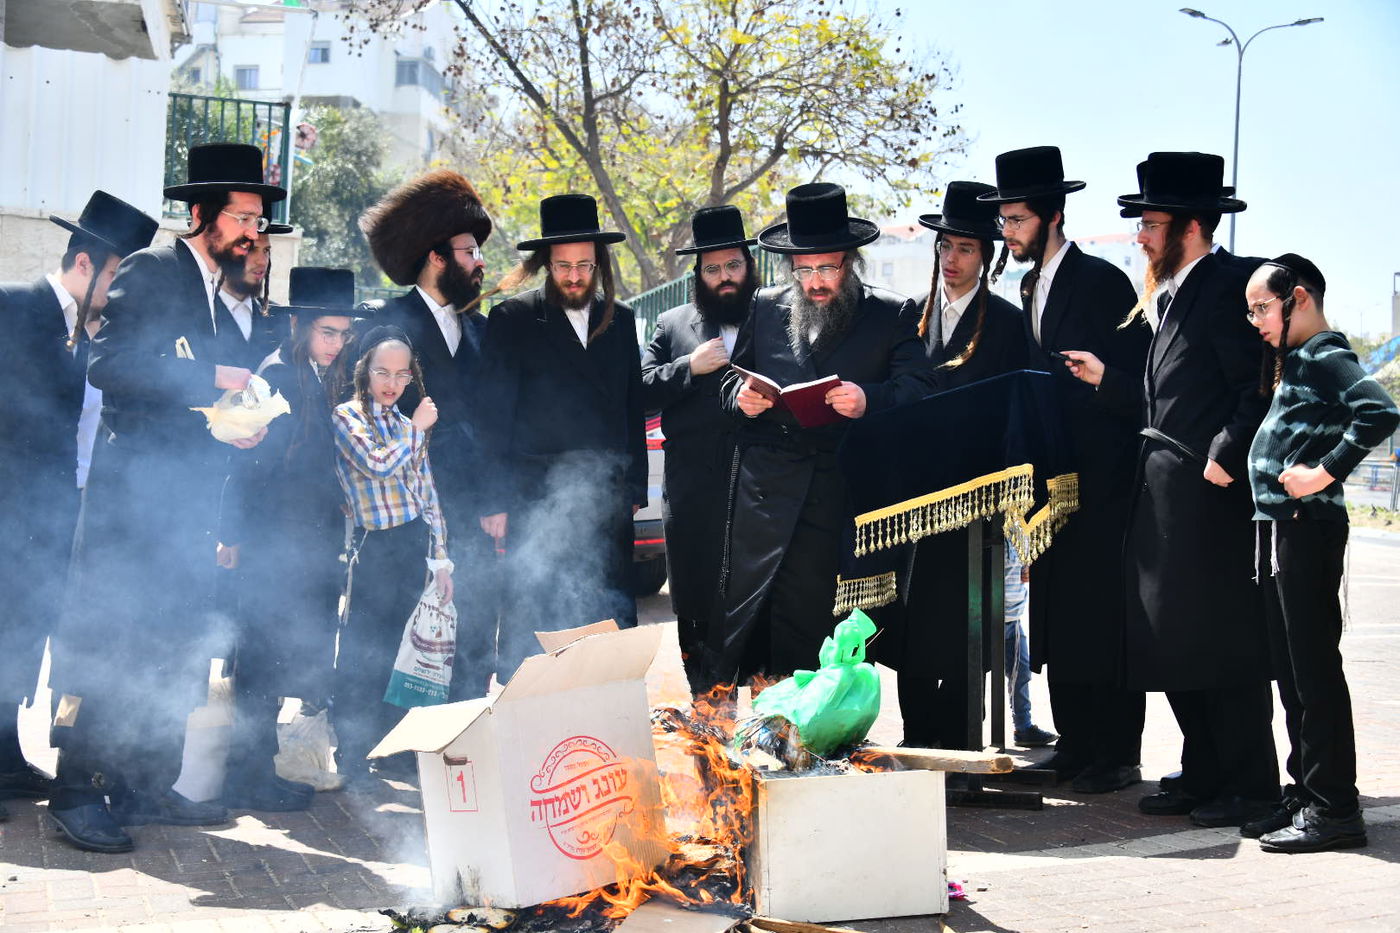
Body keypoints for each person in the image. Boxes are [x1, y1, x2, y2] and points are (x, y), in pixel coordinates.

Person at [47, 144, 281, 853]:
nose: (253, 232)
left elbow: (182, 400)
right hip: (130, 511)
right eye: (242, 216)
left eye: (260, 221)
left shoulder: (217, 292)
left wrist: (230, 428)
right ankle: (77, 791)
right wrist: (210, 376)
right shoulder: (153, 270)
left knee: (173, 647)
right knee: (114, 645)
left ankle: (144, 784)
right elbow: (108, 364)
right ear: (202, 213)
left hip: (184, 510)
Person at [1068, 151, 1276, 826]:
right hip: (1163, 499)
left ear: (1189, 226)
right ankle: (1204, 771)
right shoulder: (1173, 293)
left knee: (1222, 646)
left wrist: (1226, 451)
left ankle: (1249, 785)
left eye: (1150, 224)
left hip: (1209, 500)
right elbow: (1167, 404)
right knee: (1177, 644)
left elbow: (1256, 389)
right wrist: (1109, 382)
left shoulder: (1227, 287)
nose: (1140, 236)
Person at [980, 146, 1151, 790]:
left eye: (1018, 219)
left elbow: (1137, 380)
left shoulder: (1103, 281)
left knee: (1099, 617)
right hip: (1051, 485)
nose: (1009, 231)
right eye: (1005, 220)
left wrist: (1096, 383)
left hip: (1103, 482)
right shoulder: (1028, 285)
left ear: (1053, 216)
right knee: (1058, 617)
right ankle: (1078, 745)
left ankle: (1117, 753)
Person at [711, 182, 925, 687]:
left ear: (851, 263)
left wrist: (870, 399)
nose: (815, 283)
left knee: (829, 622)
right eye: (804, 271)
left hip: (843, 492)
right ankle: (779, 728)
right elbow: (729, 379)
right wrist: (740, 399)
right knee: (765, 618)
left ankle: (829, 735)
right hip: (768, 494)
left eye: (827, 269)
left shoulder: (890, 311)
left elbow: (921, 386)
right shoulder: (764, 306)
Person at [0, 192, 156, 822]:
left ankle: (6, 755)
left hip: (55, 517)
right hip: (9, 510)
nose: (119, 293)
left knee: (23, 637)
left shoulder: (93, 337)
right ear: (87, 264)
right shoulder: (13, 308)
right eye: (117, 275)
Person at [1243, 255, 1397, 852]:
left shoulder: (1325, 355)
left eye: (1262, 307)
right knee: (1291, 672)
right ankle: (1308, 795)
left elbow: (1381, 410)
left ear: (1298, 298)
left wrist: (1323, 472)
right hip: (1282, 527)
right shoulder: (1299, 360)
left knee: (1312, 672)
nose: (1256, 320)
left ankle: (1334, 808)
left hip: (1305, 527)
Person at [473, 194, 648, 678]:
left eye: (584, 265)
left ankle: (607, 718)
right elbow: (492, 416)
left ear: (600, 264)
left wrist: (633, 487)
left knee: (606, 613)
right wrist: (494, 498)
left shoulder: (624, 319)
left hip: (606, 495)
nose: (574, 276)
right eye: (563, 266)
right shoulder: (512, 319)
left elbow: (632, 405)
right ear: (546, 264)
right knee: (536, 610)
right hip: (535, 493)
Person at [358, 170, 499, 700]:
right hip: (406, 518)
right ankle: (386, 744)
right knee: (399, 630)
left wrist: (495, 497)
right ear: (437, 257)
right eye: (469, 251)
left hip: (474, 515)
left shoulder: (482, 329)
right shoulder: (385, 328)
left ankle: (460, 735)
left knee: (473, 629)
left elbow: (493, 424)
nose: (480, 261)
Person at [220, 268, 357, 810]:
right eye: (328, 333)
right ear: (300, 325)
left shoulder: (315, 375)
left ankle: (259, 769)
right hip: (274, 542)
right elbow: (245, 464)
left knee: (279, 658)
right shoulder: (275, 376)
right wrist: (234, 536)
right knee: (260, 656)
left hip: (308, 541)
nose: (337, 344)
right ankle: (247, 775)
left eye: (344, 335)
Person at [641, 205, 759, 693]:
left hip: (762, 496)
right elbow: (641, 389)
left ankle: (772, 747)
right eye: (713, 268)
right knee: (697, 620)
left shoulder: (774, 315)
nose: (725, 277)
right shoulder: (671, 325)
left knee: (761, 621)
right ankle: (712, 745)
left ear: (748, 266)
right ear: (698, 273)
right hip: (693, 501)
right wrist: (689, 365)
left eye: (733, 265)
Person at [331, 326, 451, 781]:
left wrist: (442, 559)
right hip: (373, 545)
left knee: (406, 653)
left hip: (412, 544)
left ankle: (392, 747)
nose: (392, 383)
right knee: (364, 649)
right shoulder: (347, 417)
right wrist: (418, 430)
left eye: (402, 374)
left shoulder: (405, 425)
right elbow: (378, 467)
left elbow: (427, 492)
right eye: (383, 371)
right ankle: (352, 751)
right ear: (364, 369)